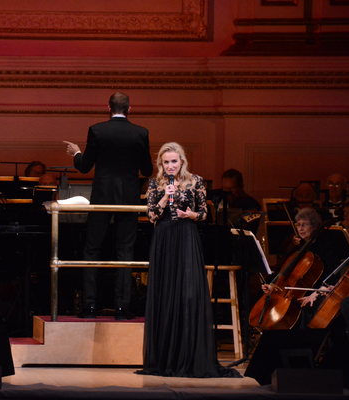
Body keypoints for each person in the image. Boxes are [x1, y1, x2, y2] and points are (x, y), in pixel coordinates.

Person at [138, 142, 239, 378]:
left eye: (174, 161)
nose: (170, 166)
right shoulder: (155, 183)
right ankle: (164, 358)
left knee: (188, 293)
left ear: (181, 161)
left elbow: (204, 213)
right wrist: (164, 198)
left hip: (186, 236)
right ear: (161, 164)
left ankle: (189, 355)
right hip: (163, 238)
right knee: (164, 293)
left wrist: (189, 214)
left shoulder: (196, 181)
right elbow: (151, 214)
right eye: (166, 162)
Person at [64, 92, 153, 320]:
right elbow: (147, 170)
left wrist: (76, 153)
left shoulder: (97, 130)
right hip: (129, 200)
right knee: (125, 252)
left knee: (92, 250)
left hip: (102, 197)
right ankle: (122, 309)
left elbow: (84, 167)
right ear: (129, 109)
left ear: (108, 107)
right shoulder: (140, 133)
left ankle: (89, 307)